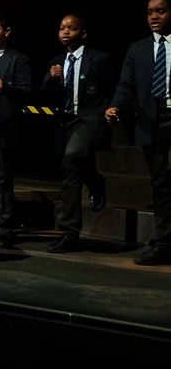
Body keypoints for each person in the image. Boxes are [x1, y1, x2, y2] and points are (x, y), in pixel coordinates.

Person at [40, 13, 114, 253]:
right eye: (61, 28)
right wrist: (50, 78)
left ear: (83, 33)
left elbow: (115, 88)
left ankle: (93, 180)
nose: (65, 32)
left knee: (73, 156)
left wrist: (112, 110)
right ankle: (70, 234)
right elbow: (43, 95)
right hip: (65, 122)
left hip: (90, 120)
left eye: (71, 28)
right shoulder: (57, 62)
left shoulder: (99, 59)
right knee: (69, 172)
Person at [105, 0, 171, 266]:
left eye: (161, 11)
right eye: (149, 12)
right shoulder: (138, 49)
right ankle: (165, 243)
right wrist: (115, 106)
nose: (154, 17)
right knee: (161, 184)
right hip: (152, 122)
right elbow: (125, 85)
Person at [0, 10, 32, 248]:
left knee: (2, 176)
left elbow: (26, 90)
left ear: (7, 32)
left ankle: (2, 227)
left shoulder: (17, 59)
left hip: (2, 124)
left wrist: (6, 86)